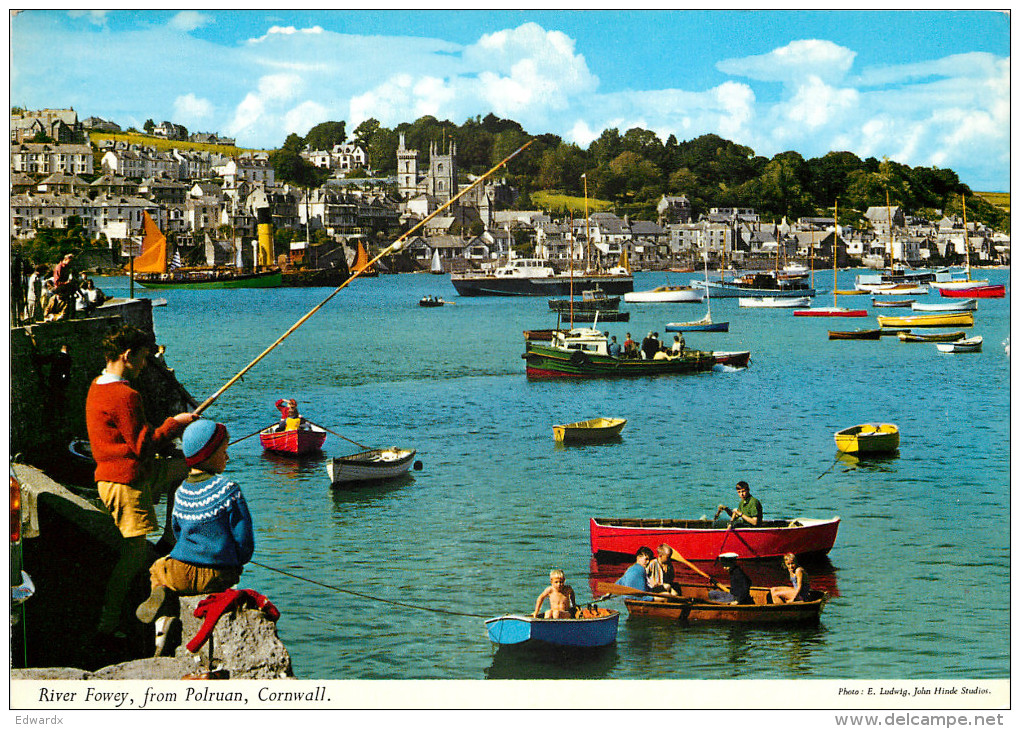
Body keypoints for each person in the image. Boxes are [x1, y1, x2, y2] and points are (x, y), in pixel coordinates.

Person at [85, 324, 197, 646]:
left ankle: (169, 537)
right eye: (144, 358)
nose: (146, 364)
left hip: (122, 473)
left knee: (185, 467)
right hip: (126, 482)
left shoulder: (98, 385)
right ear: (127, 355)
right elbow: (143, 444)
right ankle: (107, 625)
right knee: (133, 556)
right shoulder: (125, 395)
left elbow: (132, 442)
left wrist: (162, 442)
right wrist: (175, 425)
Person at [136, 419, 255, 655]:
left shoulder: (180, 491)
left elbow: (177, 532)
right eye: (224, 451)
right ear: (208, 455)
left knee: (158, 568)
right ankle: (164, 616)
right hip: (217, 575)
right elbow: (245, 542)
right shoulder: (229, 489)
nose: (227, 457)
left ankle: (163, 619)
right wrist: (234, 559)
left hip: (180, 572)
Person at [52, 252, 77, 321]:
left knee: (70, 306)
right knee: (63, 307)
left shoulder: (68, 267)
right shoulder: (59, 267)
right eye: (70, 261)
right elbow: (56, 282)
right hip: (60, 289)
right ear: (66, 259)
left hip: (66, 289)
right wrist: (66, 283)